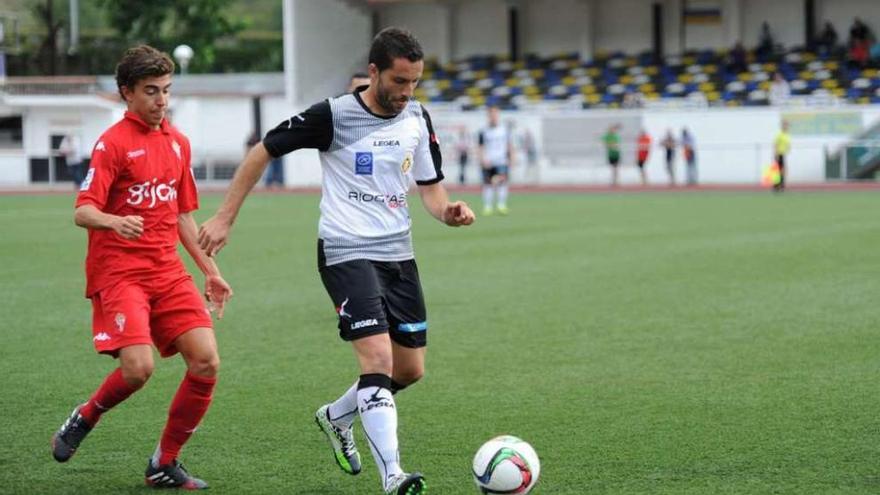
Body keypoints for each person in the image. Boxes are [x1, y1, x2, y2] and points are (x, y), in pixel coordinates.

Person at [197, 27, 474, 495]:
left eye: (414, 83)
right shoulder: (333, 115)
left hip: (398, 254)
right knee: (379, 360)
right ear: (374, 72)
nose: (407, 93)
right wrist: (225, 217)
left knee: (409, 370)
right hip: (345, 249)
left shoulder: (418, 117)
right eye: (400, 81)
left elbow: (429, 186)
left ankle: (337, 416)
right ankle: (394, 477)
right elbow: (263, 149)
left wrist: (446, 211)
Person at [51, 45, 232, 490]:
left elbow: (183, 216)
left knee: (206, 362)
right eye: (151, 91)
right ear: (126, 93)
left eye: (166, 90)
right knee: (138, 369)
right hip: (119, 272)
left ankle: (163, 463)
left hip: (166, 271)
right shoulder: (112, 144)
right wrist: (115, 220)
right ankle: (86, 415)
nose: (161, 101)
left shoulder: (177, 143)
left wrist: (210, 270)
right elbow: (82, 211)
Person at [478, 105, 514, 215]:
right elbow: (480, 147)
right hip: (489, 161)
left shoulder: (504, 130)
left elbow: (509, 145)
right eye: (491, 114)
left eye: (495, 114)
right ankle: (488, 207)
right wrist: (482, 159)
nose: (493, 117)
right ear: (488, 116)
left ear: (498, 115)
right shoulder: (483, 131)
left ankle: (501, 205)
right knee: (487, 184)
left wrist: (511, 158)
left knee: (502, 183)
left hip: (501, 161)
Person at [773, 120, 791, 192]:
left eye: (787, 126)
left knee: (783, 171)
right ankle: (777, 186)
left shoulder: (786, 135)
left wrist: (788, 148)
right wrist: (776, 154)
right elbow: (775, 145)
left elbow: (787, 144)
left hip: (783, 154)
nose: (787, 127)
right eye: (785, 125)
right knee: (778, 171)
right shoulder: (779, 135)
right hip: (779, 154)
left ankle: (781, 185)